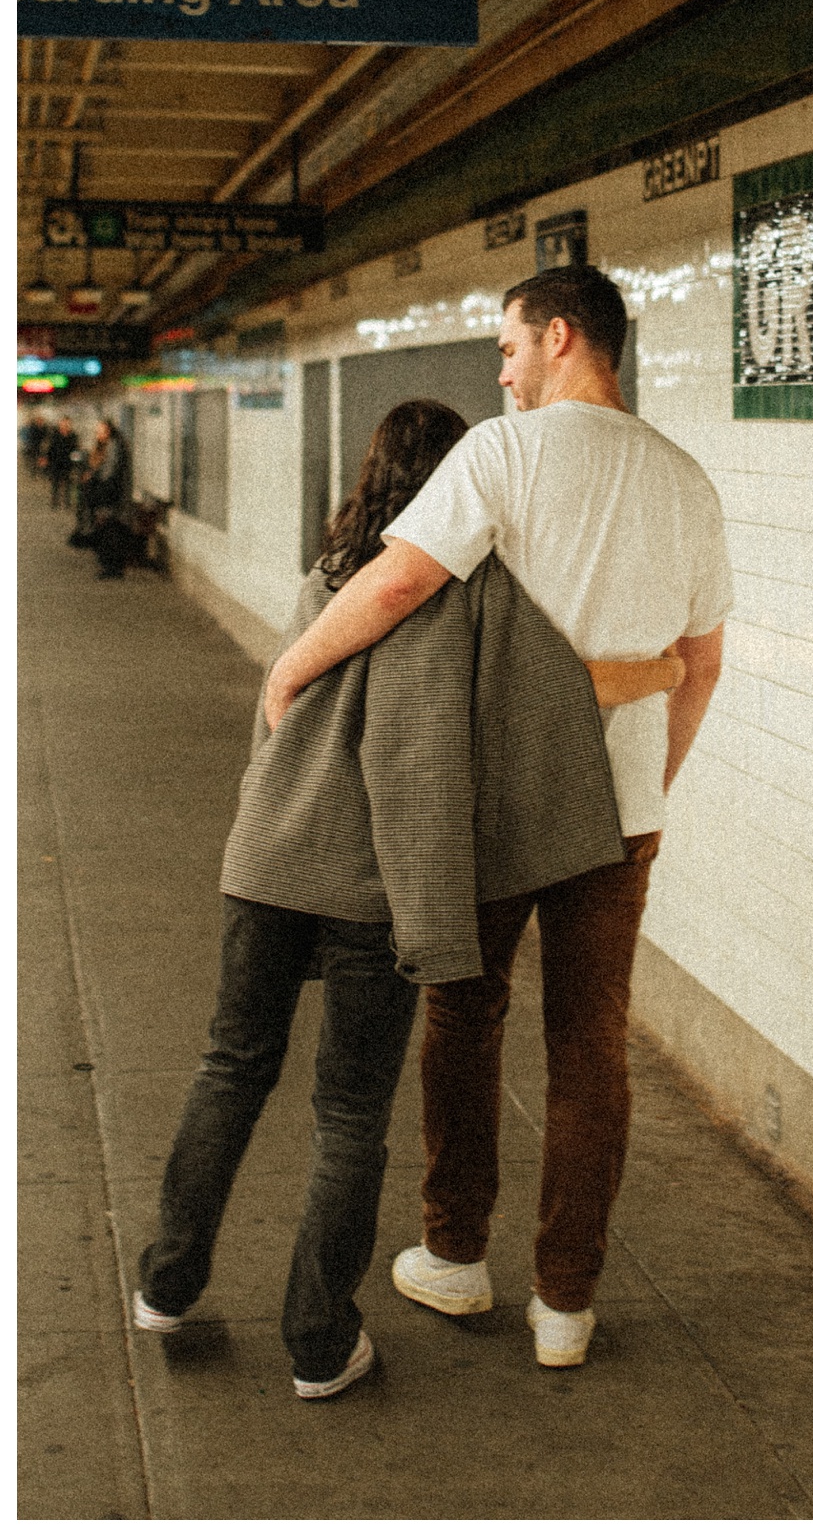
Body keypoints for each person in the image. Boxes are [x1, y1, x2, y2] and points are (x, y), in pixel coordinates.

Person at [134, 399, 679, 1399]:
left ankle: (167, 1280)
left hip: (267, 859)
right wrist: (671, 665)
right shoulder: (467, 600)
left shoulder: (327, 568)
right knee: (348, 1116)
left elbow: (290, 708)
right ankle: (316, 1339)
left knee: (231, 1064)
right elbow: (527, 709)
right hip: (370, 885)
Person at [263, 265, 733, 1369]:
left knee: (465, 1021)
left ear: (561, 335)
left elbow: (393, 586)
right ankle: (566, 1303)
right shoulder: (685, 479)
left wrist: (293, 664)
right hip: (621, 814)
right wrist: (644, 780)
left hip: (500, 804)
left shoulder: (500, 453)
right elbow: (701, 663)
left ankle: (456, 1255)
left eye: (512, 349)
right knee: (590, 1046)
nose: (505, 371)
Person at [44, 413, 77, 510]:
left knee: (67, 483)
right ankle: (55, 502)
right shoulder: (55, 435)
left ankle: (67, 502)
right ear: (60, 424)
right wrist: (46, 459)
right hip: (55, 462)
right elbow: (50, 449)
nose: (65, 425)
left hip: (67, 463)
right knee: (55, 483)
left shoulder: (73, 436)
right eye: (63, 423)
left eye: (67, 424)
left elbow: (75, 450)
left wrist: (74, 463)